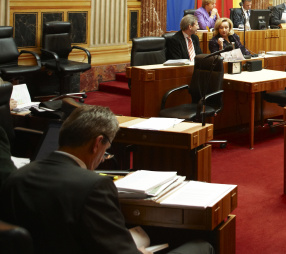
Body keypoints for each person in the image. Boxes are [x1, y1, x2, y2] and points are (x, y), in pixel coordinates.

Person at [0, 106, 213, 254]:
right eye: (106, 150)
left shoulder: (18, 176)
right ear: (97, 143)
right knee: (202, 246)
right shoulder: (94, 186)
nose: (103, 158)